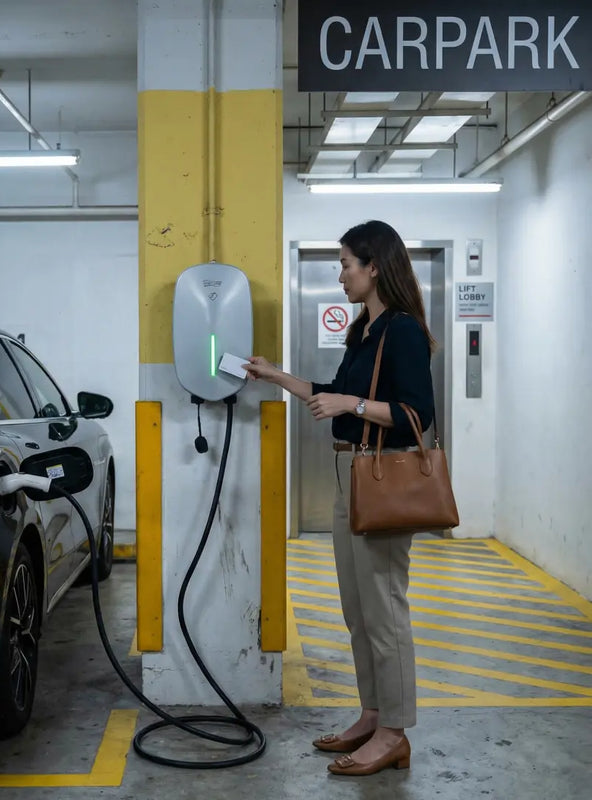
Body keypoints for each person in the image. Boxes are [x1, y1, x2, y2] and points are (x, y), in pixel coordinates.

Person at [243, 220, 435, 777]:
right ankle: (372, 714)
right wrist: (274, 375)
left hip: (382, 479)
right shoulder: (365, 332)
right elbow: (331, 392)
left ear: (374, 267)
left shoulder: (401, 331)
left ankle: (395, 733)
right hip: (348, 475)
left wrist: (352, 405)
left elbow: (417, 416)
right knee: (358, 611)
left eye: (347, 264)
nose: (342, 275)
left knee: (384, 612)